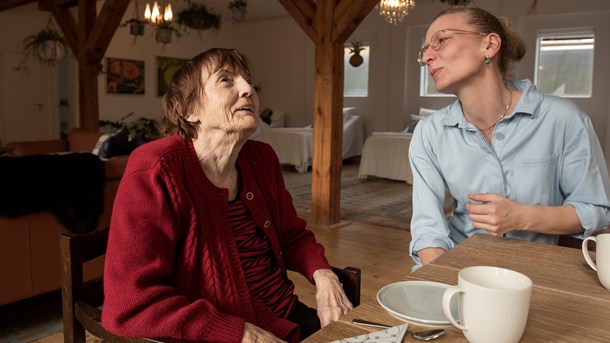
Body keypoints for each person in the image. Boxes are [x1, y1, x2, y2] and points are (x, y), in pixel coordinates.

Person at [101, 48, 353, 343]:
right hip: (219, 332)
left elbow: (292, 235)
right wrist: (240, 333)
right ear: (189, 110)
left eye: (248, 81)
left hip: (287, 317)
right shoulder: (155, 169)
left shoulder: (261, 158)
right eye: (226, 81)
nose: (248, 89)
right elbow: (129, 306)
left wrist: (324, 275)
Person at [409, 7, 610, 270]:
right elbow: (428, 230)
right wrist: (444, 282)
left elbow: (595, 210)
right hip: (457, 268)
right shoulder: (429, 133)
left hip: (536, 272)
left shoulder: (563, 119)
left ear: (489, 45)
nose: (426, 57)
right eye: (424, 50)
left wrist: (522, 216)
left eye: (441, 40)